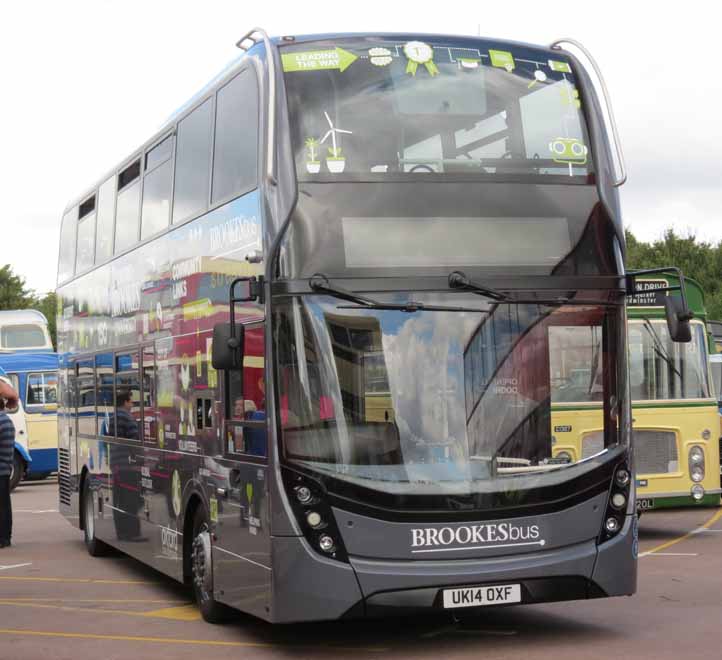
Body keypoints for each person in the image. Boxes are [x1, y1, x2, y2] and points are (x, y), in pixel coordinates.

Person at [0, 378, 20, 548]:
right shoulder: (7, 421)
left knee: (2, 506)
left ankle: (3, 538)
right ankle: (6, 536)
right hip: (5, 469)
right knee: (5, 505)